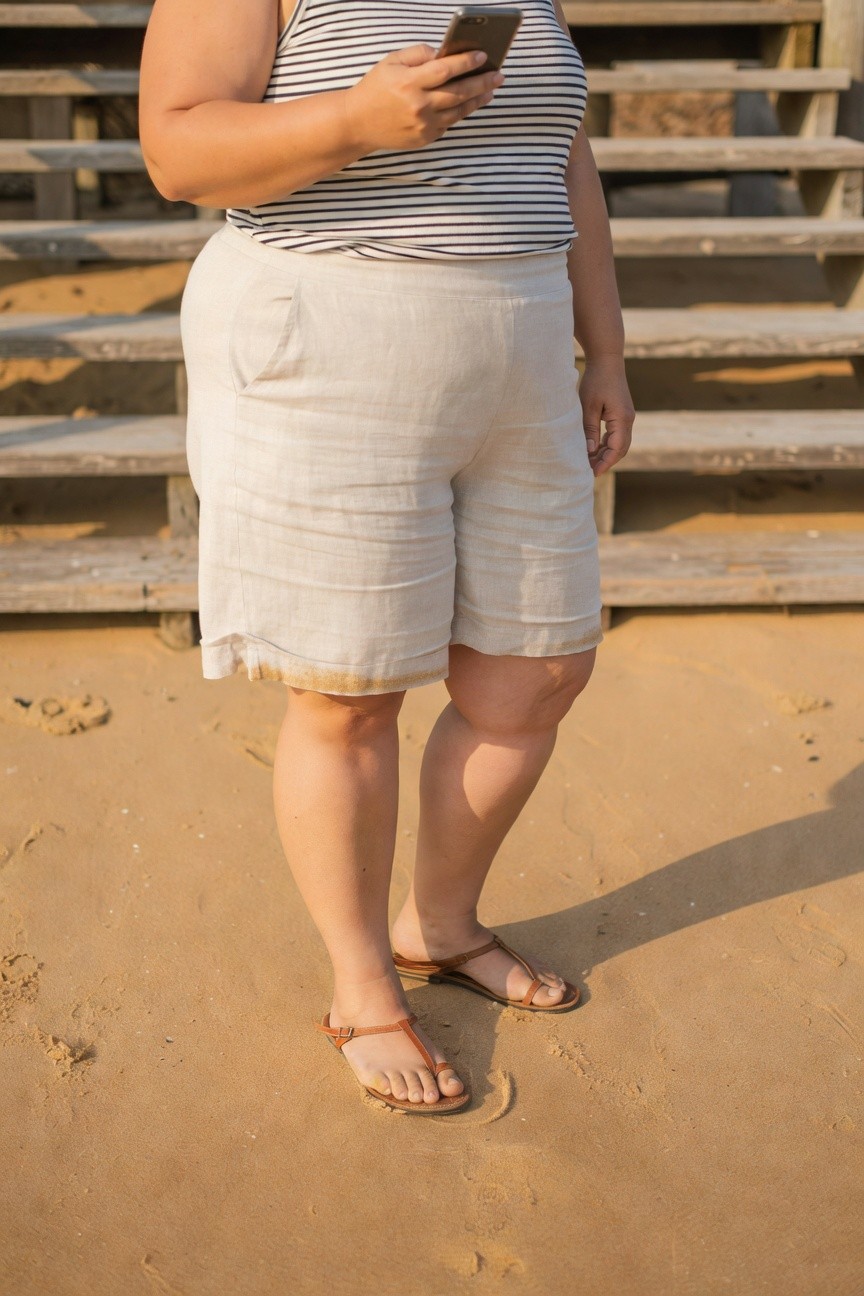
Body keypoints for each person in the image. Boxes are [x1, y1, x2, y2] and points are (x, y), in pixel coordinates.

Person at [139, 0, 635, 1115]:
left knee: (538, 668)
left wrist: (605, 347)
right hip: (328, 331)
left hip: (517, 342)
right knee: (349, 689)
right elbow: (176, 148)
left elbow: (564, 157)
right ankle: (363, 986)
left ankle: (440, 924)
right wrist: (359, 116)